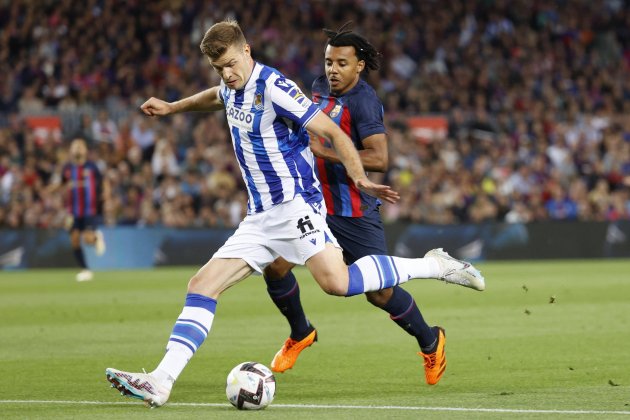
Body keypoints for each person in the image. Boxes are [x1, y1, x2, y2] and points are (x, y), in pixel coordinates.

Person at [105, 19, 485, 408]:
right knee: (201, 286)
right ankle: (161, 380)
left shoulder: (275, 87)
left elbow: (333, 133)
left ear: (248, 50)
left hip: (295, 207)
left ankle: (434, 266)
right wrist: (173, 107)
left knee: (338, 284)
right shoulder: (231, 85)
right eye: (220, 68)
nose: (228, 73)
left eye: (233, 63)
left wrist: (359, 178)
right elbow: (216, 96)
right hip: (259, 217)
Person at [262, 25, 484, 386]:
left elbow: (380, 158)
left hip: (354, 211)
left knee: (379, 294)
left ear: (359, 66)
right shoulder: (319, 88)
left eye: (342, 63)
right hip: (315, 204)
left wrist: (325, 152)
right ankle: (301, 332)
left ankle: (431, 340)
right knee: (275, 266)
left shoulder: (364, 101)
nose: (333, 69)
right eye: (329, 61)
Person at [51, 138, 107, 281]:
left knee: (87, 239)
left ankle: (96, 238)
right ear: (70, 150)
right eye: (74, 146)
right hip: (72, 211)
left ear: (85, 150)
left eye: (80, 146)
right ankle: (85, 270)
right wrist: (49, 190)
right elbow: (62, 183)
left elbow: (103, 181)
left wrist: (107, 193)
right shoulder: (68, 168)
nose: (77, 149)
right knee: (74, 240)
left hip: (90, 210)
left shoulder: (92, 167)